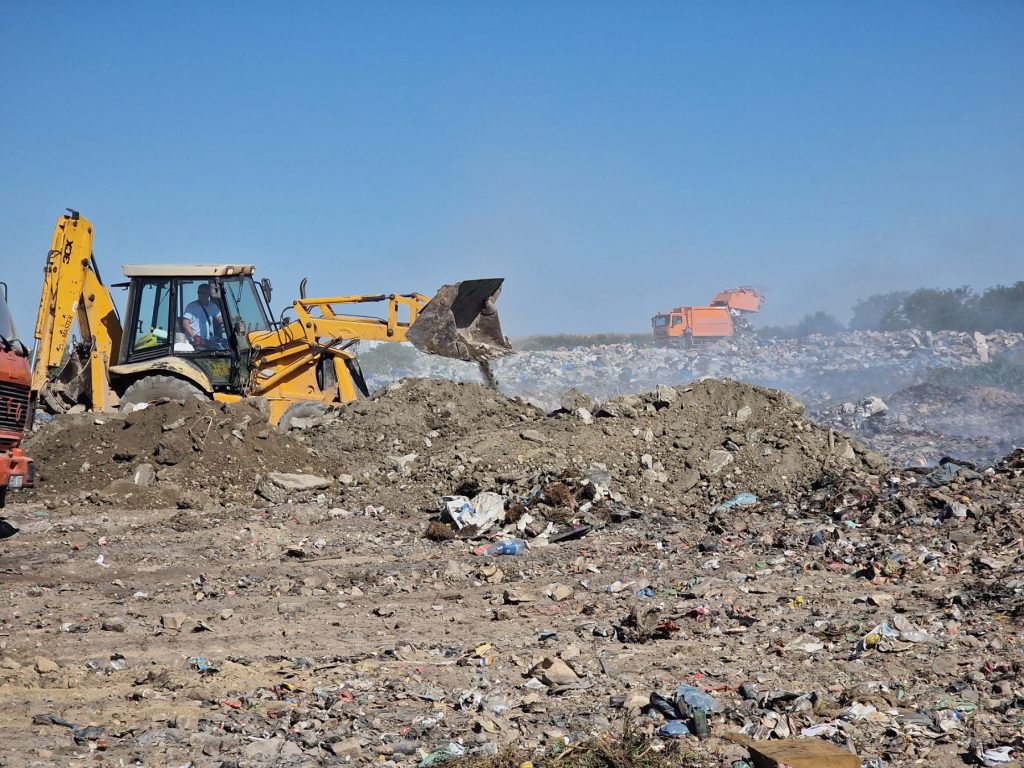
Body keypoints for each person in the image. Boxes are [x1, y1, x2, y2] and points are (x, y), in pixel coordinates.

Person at [181, 283, 224, 347]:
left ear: (209, 294)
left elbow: (219, 319)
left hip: (206, 340)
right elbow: (185, 323)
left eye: (203, 293)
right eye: (199, 293)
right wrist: (195, 336)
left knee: (224, 344)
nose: (200, 295)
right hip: (194, 341)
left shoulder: (212, 306)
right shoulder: (191, 306)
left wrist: (230, 319)